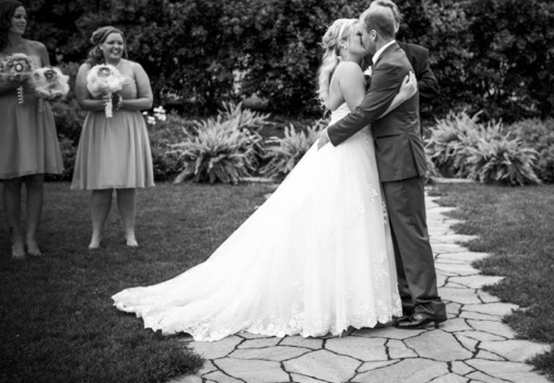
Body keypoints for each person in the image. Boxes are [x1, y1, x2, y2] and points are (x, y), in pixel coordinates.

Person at [111, 18, 418, 341]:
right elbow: (362, 115)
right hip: (349, 150)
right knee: (347, 223)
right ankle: (346, 303)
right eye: (356, 34)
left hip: (346, 150)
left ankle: (343, 300)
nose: (363, 37)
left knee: (339, 224)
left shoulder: (346, 69)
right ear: (342, 44)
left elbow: (338, 108)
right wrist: (400, 96)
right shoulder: (351, 70)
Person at [318, 5, 447, 329]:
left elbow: (365, 113)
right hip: (392, 157)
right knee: (403, 233)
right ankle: (412, 302)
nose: (359, 37)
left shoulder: (390, 63)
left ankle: (427, 306)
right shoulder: (384, 62)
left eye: (362, 33)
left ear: (374, 34)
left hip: (400, 158)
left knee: (411, 235)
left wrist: (330, 134)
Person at [71, 26, 154, 248]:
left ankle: (130, 234)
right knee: (102, 183)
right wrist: (104, 103)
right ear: (100, 45)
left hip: (128, 127)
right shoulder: (87, 69)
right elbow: (83, 102)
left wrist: (122, 103)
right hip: (100, 127)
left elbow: (147, 101)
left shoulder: (134, 68)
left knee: (127, 183)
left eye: (120, 42)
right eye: (111, 42)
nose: (117, 46)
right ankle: (96, 236)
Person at [0, 0, 64, 259]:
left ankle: (32, 237)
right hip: (7, 116)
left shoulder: (38, 48)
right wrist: (12, 82)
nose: (22, 21)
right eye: (17, 16)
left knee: (37, 179)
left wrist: (53, 92)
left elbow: (51, 81)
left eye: (24, 16)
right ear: (4, 19)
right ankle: (15, 238)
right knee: (11, 179)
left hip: (36, 114)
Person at [368, 0, 439, 105]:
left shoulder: (416, 54)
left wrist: (396, 88)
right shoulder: (359, 52)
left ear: (396, 26)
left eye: (383, 20)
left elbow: (431, 87)